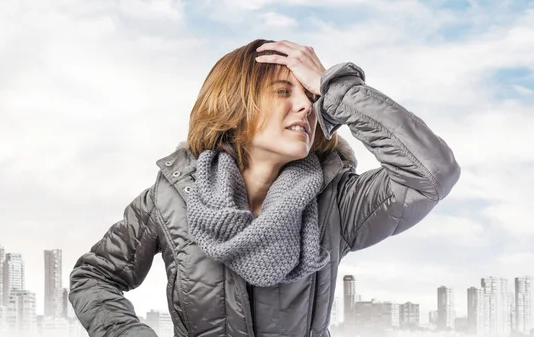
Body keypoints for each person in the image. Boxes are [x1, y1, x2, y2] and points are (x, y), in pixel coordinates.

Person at [69, 39, 460, 337]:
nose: (307, 107)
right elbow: (94, 277)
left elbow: (432, 172)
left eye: (310, 95)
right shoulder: (171, 198)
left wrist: (335, 89)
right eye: (283, 92)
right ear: (235, 107)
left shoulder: (337, 203)